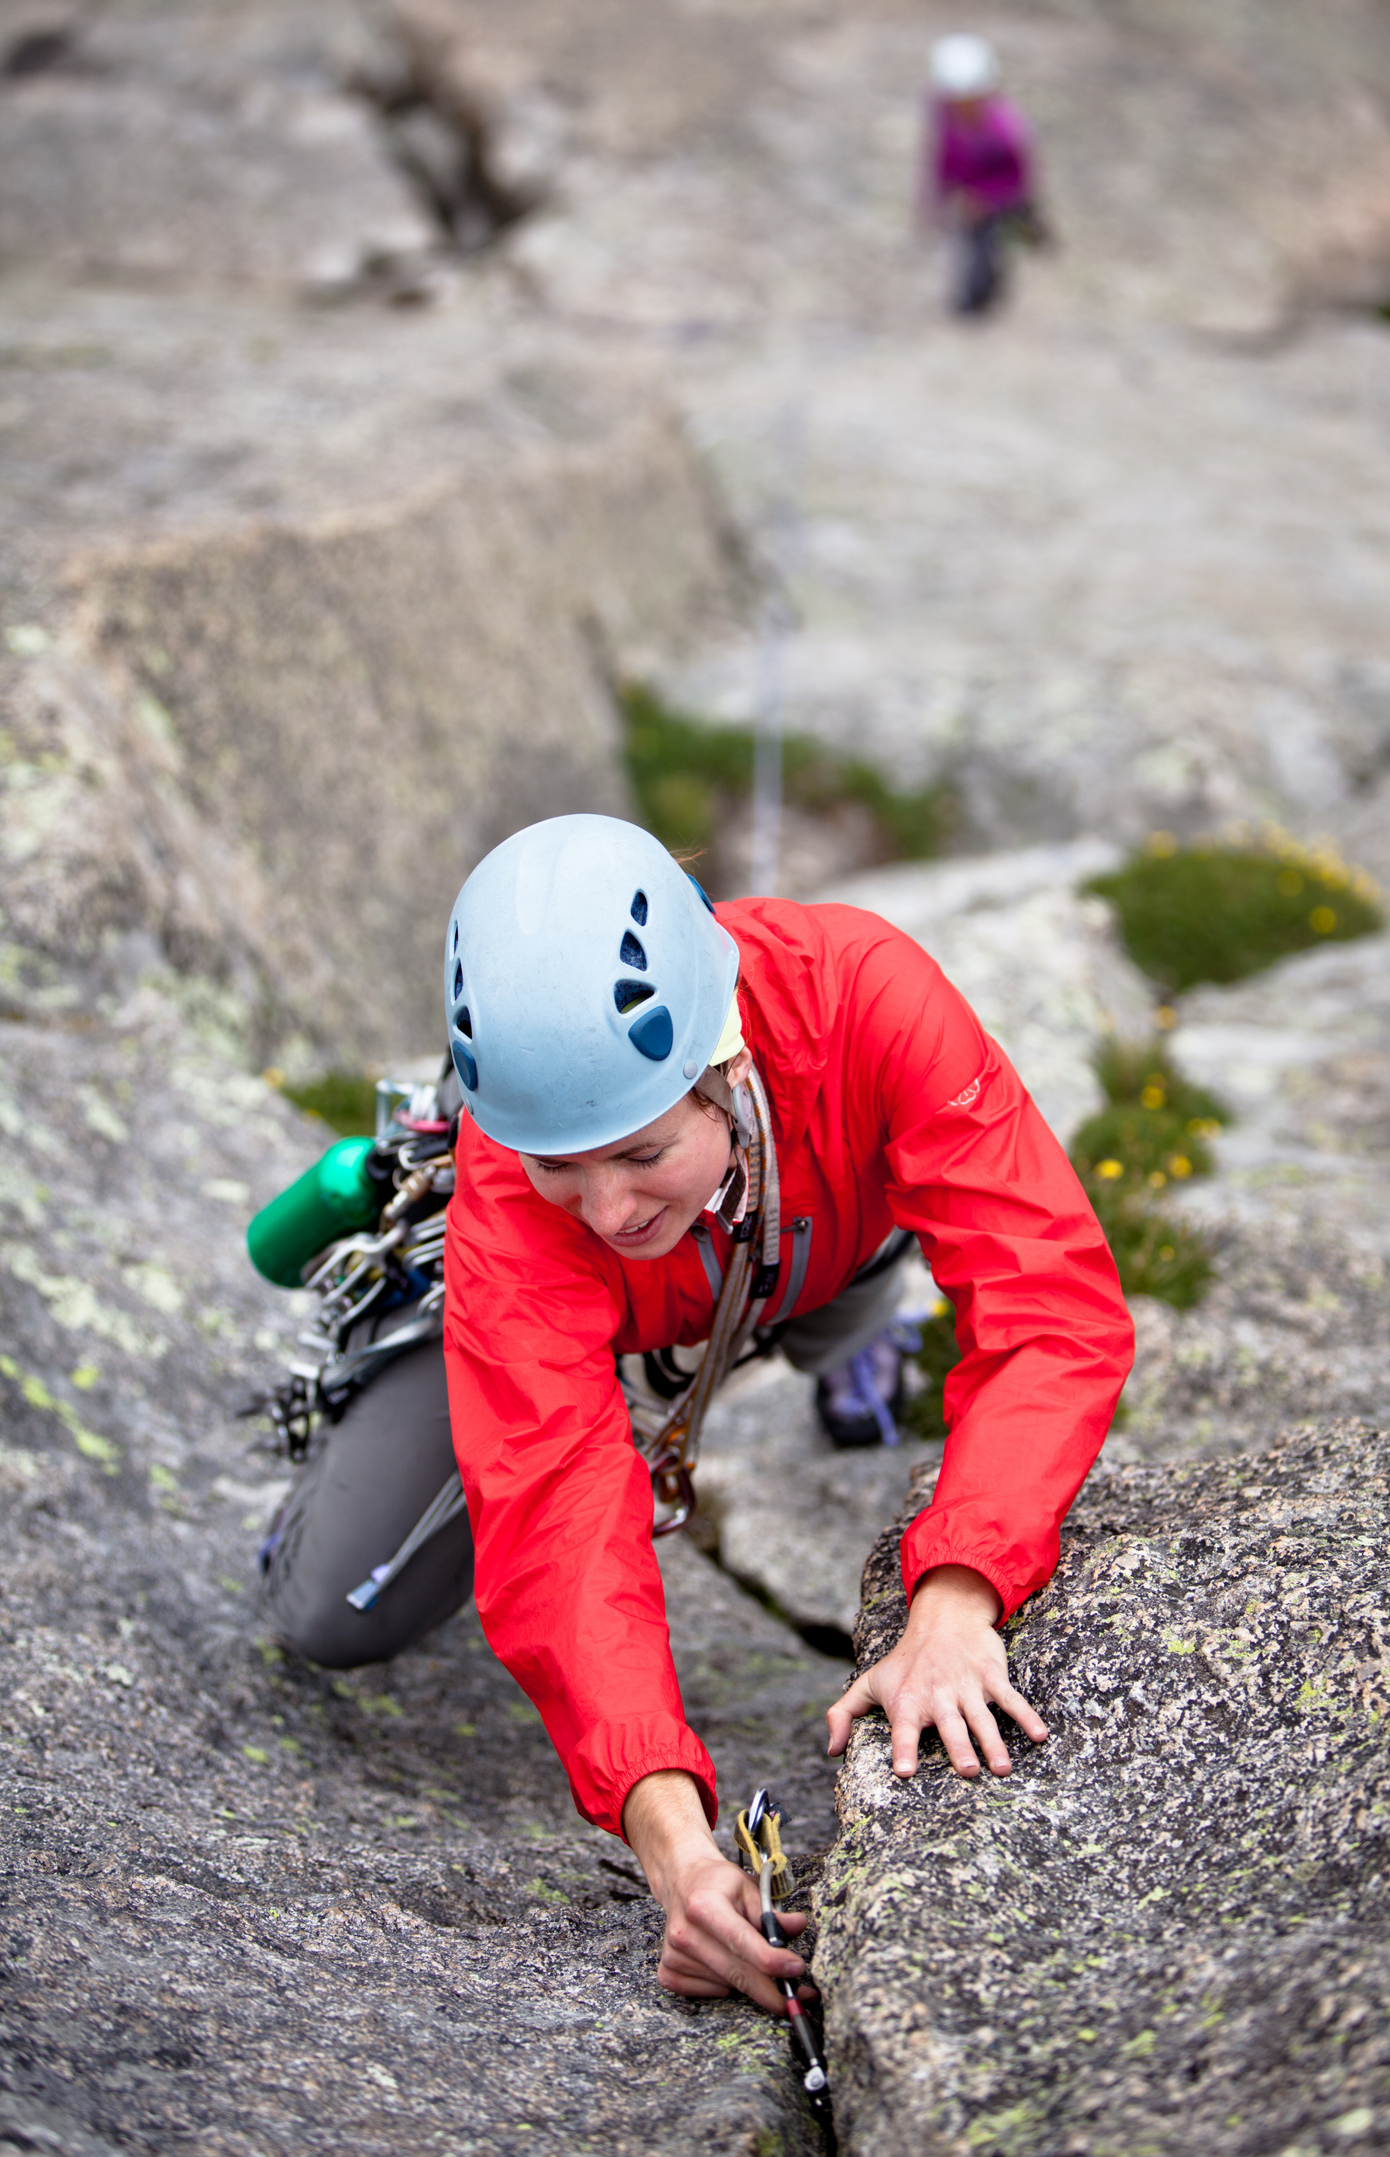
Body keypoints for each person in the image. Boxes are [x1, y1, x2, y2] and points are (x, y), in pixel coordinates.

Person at [265, 813, 1133, 2018]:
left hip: (816, 1234)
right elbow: (560, 1511)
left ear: (721, 1055)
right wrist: (675, 1846)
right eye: (562, 1162)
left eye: (638, 1152)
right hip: (612, 1326)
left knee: (845, 1246)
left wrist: (957, 1596)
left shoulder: (864, 997)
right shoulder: (518, 1198)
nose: (607, 1205)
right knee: (330, 1611)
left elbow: (1046, 1306)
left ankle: (850, 1320)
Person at [921, 33, 1043, 316]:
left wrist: (987, 199)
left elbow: (1019, 177)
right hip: (965, 199)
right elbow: (941, 157)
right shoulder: (943, 115)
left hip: (995, 204)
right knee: (964, 247)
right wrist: (937, 197)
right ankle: (970, 295)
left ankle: (981, 298)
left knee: (988, 250)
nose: (961, 105)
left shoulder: (1005, 130)